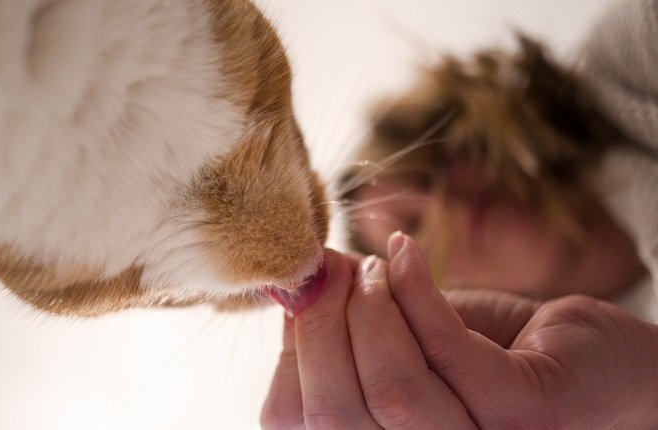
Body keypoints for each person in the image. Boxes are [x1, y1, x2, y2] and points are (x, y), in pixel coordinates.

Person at [261, 0, 658, 427]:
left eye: (430, 169)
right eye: (411, 229)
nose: (443, 205)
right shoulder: (583, 397)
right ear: (443, 293)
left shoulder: (630, 64)